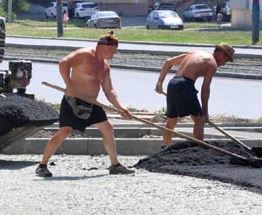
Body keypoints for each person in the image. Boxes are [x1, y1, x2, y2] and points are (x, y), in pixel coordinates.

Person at [35, 33, 135, 178]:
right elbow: (63, 63)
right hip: (73, 100)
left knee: (108, 128)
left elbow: (109, 90)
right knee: (65, 131)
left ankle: (115, 165)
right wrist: (68, 86)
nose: (115, 52)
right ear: (106, 46)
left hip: (92, 103)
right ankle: (42, 165)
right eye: (114, 49)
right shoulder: (85, 54)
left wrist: (121, 108)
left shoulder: (105, 67)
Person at [154, 43, 235, 145]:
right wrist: (204, 112)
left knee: (172, 119)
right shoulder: (212, 63)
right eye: (226, 61)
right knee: (199, 120)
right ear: (221, 54)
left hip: (173, 83)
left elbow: (169, 62)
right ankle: (199, 149)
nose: (224, 64)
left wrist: (159, 82)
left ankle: (165, 146)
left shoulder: (195, 53)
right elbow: (205, 89)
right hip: (184, 85)